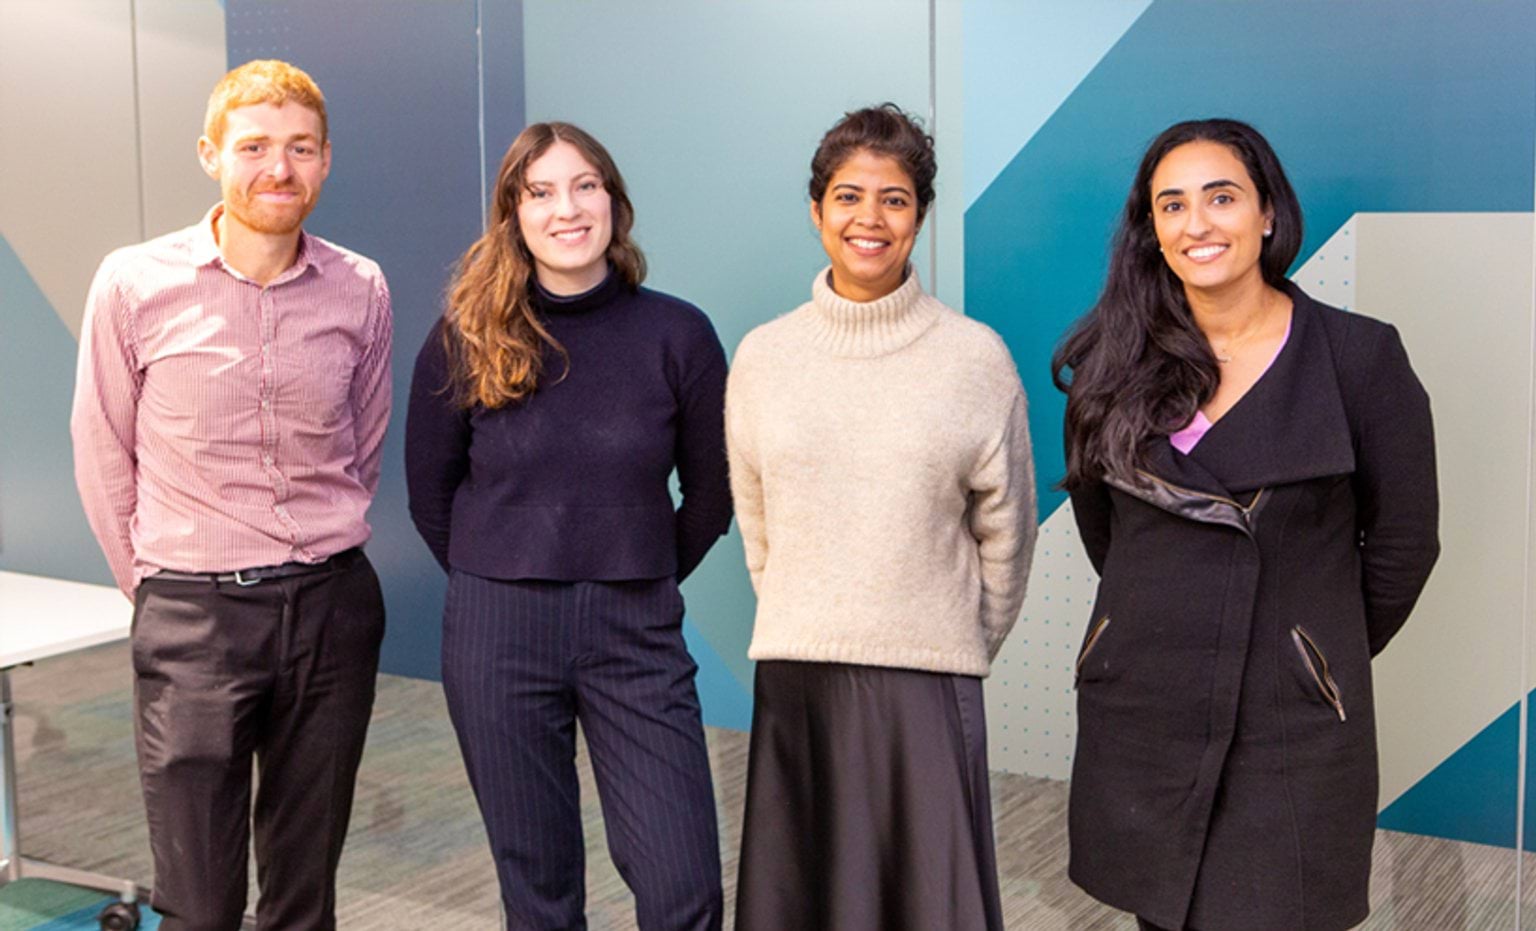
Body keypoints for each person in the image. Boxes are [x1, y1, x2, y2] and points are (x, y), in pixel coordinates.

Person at [1053, 118, 1440, 931]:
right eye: (1172, 205)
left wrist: (1310, 645)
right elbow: (1109, 538)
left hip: (1287, 719)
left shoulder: (1359, 357)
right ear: (1152, 232)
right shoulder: (1110, 367)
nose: (1198, 224)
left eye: (1221, 197)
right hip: (1147, 703)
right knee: (1163, 911)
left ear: (1268, 213)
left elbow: (1404, 541)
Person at [70, 60, 392, 929]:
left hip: (331, 608)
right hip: (195, 617)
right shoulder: (135, 282)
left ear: (325, 160)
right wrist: (162, 592)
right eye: (253, 146)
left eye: (299, 148)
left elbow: (361, 445)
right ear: (211, 153)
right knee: (200, 902)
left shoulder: (360, 287)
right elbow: (102, 451)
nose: (277, 169)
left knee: (302, 887)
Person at [405, 122, 731, 930]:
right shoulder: (465, 333)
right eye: (541, 192)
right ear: (513, 214)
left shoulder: (677, 333)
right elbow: (429, 492)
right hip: (497, 628)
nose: (567, 208)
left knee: (681, 883)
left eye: (585, 185)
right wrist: (500, 569)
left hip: (635, 624)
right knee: (540, 888)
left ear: (615, 203)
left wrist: (636, 564)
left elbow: (715, 491)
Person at [727, 104, 1037, 931]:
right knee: (808, 902)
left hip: (927, 681)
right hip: (798, 674)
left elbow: (1009, 536)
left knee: (926, 908)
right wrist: (811, 606)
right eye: (848, 196)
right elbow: (758, 522)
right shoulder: (763, 356)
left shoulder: (975, 358)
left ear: (920, 215)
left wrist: (949, 636)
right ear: (818, 211)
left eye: (895, 199)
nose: (870, 218)